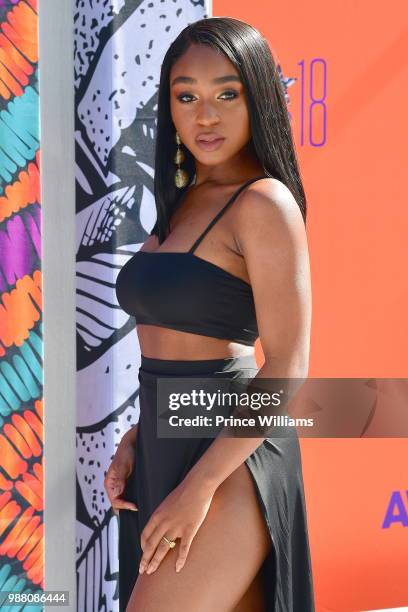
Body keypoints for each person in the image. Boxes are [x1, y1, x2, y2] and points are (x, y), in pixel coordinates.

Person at [106, 16, 314, 612]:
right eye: (186, 96)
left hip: (231, 457)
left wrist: (200, 486)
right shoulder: (182, 200)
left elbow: (289, 366)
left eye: (227, 94)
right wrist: (143, 433)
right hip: (166, 441)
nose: (206, 115)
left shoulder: (264, 203)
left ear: (258, 99)